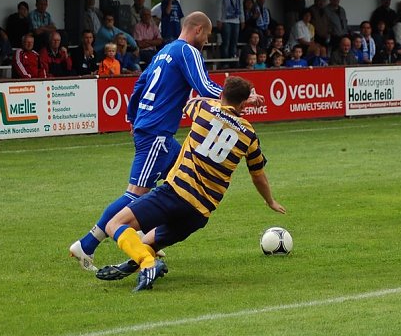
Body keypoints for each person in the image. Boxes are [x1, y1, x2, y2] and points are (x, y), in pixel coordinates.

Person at [69, 12, 257, 272]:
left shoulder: (164, 51)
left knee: (179, 178)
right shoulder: (188, 51)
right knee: (135, 194)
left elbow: (139, 84)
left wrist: (132, 119)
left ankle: (151, 237)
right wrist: (240, 99)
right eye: (208, 36)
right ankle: (87, 244)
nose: (206, 41)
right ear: (198, 30)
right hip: (156, 133)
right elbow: (204, 86)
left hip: (156, 132)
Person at [100, 76, 285, 291]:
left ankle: (147, 263)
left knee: (114, 224)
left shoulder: (204, 108)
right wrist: (270, 200)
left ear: (222, 94)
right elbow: (257, 174)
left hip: (175, 192)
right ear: (244, 104)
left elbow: (190, 103)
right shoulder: (249, 135)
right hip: (200, 213)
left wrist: (235, 100)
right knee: (149, 241)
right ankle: (138, 262)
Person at [216, 0, 242, 64]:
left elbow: (240, 6)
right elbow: (219, 6)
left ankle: (233, 61)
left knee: (234, 42)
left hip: (236, 20)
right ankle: (225, 62)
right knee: (226, 42)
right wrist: (219, 19)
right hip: (225, 20)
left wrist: (242, 19)